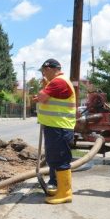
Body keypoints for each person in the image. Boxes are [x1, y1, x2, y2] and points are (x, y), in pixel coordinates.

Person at [33, 58, 76, 204]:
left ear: (50, 68)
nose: (43, 74)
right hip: (56, 126)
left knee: (60, 160)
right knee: (55, 158)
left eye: (44, 70)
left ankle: (65, 193)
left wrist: (41, 92)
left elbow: (43, 97)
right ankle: (59, 188)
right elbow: (46, 98)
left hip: (59, 127)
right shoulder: (56, 83)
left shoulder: (59, 81)